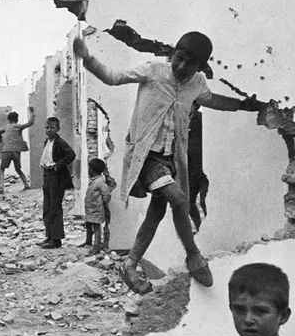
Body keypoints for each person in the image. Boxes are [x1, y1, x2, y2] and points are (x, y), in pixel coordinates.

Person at [73, 32, 265, 294]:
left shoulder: (197, 82)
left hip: (171, 159)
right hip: (146, 157)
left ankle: (130, 264)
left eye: (191, 64)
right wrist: (87, 58)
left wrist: (245, 105)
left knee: (156, 213)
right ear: (173, 53)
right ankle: (193, 256)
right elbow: (113, 77)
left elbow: (212, 100)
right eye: (179, 58)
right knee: (181, 201)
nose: (182, 67)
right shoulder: (153, 70)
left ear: (201, 67)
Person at [37, 116, 76, 249]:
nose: (49, 130)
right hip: (47, 175)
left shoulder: (60, 142)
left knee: (55, 208)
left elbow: (71, 155)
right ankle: (49, 236)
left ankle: (56, 239)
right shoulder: (47, 142)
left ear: (58, 129)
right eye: (47, 127)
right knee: (47, 207)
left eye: (52, 128)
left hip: (56, 177)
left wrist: (58, 166)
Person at [0, 107, 35, 193]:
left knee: (2, 169)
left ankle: (1, 187)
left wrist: (0, 138)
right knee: (18, 169)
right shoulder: (19, 126)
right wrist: (32, 113)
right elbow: (30, 123)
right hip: (16, 151)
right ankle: (26, 185)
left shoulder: (6, 127)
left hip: (6, 150)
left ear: (9, 119)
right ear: (16, 119)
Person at [188, 101, 210, 232]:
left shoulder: (201, 119)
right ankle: (196, 229)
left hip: (202, 167)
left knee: (202, 200)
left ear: (196, 105)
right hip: (188, 168)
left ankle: (204, 230)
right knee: (189, 201)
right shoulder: (179, 120)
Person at [83, 158, 112, 255]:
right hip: (90, 209)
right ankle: (88, 242)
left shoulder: (100, 182)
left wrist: (102, 203)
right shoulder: (93, 180)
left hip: (96, 209)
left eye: (89, 168)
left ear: (92, 170)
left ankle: (97, 246)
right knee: (88, 225)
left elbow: (106, 194)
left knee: (96, 228)